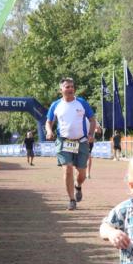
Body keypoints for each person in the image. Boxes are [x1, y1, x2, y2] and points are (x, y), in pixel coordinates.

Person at [45, 78, 96, 210]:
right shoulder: (56, 105)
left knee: (82, 174)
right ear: (61, 90)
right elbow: (48, 122)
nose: (70, 89)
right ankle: (71, 200)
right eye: (67, 87)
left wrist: (91, 134)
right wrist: (49, 131)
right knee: (67, 169)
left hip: (81, 142)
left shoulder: (81, 103)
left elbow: (92, 119)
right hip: (63, 141)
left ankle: (78, 186)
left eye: (72, 86)